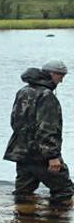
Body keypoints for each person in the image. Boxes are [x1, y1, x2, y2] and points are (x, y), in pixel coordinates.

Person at [4, 60, 74, 204]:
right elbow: (47, 128)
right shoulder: (46, 95)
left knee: (23, 191)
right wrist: (53, 156)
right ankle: (55, 222)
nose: (61, 81)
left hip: (21, 151)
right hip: (41, 154)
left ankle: (21, 221)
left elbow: (14, 121)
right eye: (61, 76)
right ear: (52, 74)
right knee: (64, 190)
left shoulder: (23, 91)